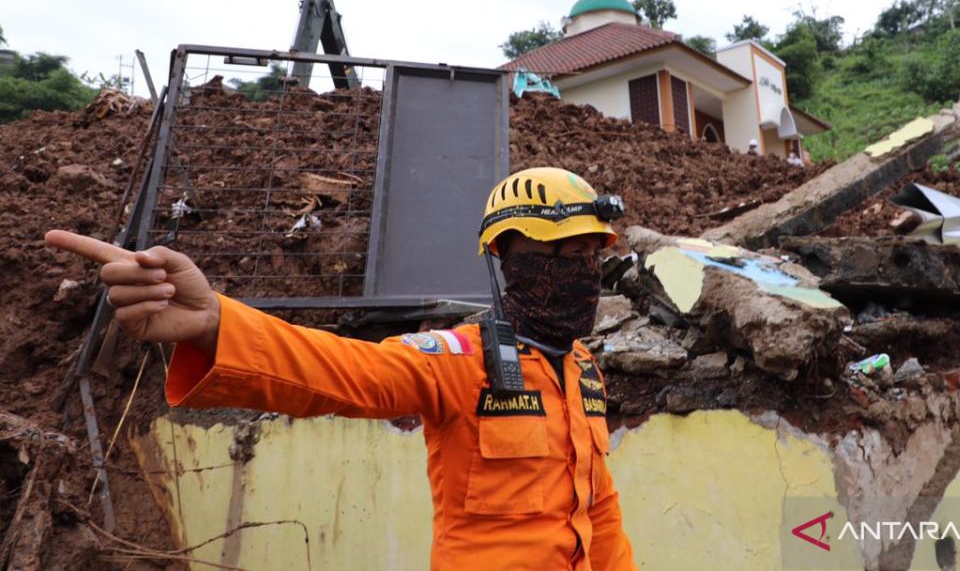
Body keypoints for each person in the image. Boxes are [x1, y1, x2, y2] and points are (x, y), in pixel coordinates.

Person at [45, 167, 637, 571]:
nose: (580, 270)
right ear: (508, 260)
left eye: (588, 254)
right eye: (559, 255)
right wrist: (215, 324)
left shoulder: (583, 369)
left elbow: (599, 511)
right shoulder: (459, 361)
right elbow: (341, 370)